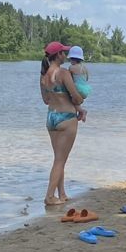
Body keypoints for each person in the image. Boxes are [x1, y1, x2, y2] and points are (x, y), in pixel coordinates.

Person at [40, 41, 84, 206]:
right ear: (58, 55)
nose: (66, 55)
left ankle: (62, 194)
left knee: (59, 158)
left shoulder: (43, 76)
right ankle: (50, 197)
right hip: (66, 118)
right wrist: (80, 97)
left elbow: (45, 100)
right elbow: (77, 97)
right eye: (63, 53)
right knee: (60, 160)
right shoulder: (64, 73)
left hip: (51, 117)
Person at [66, 45, 91, 122]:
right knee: (76, 102)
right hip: (86, 88)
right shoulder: (84, 68)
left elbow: (68, 79)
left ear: (72, 59)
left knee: (72, 100)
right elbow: (87, 78)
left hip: (78, 88)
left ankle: (82, 111)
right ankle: (80, 113)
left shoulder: (71, 67)